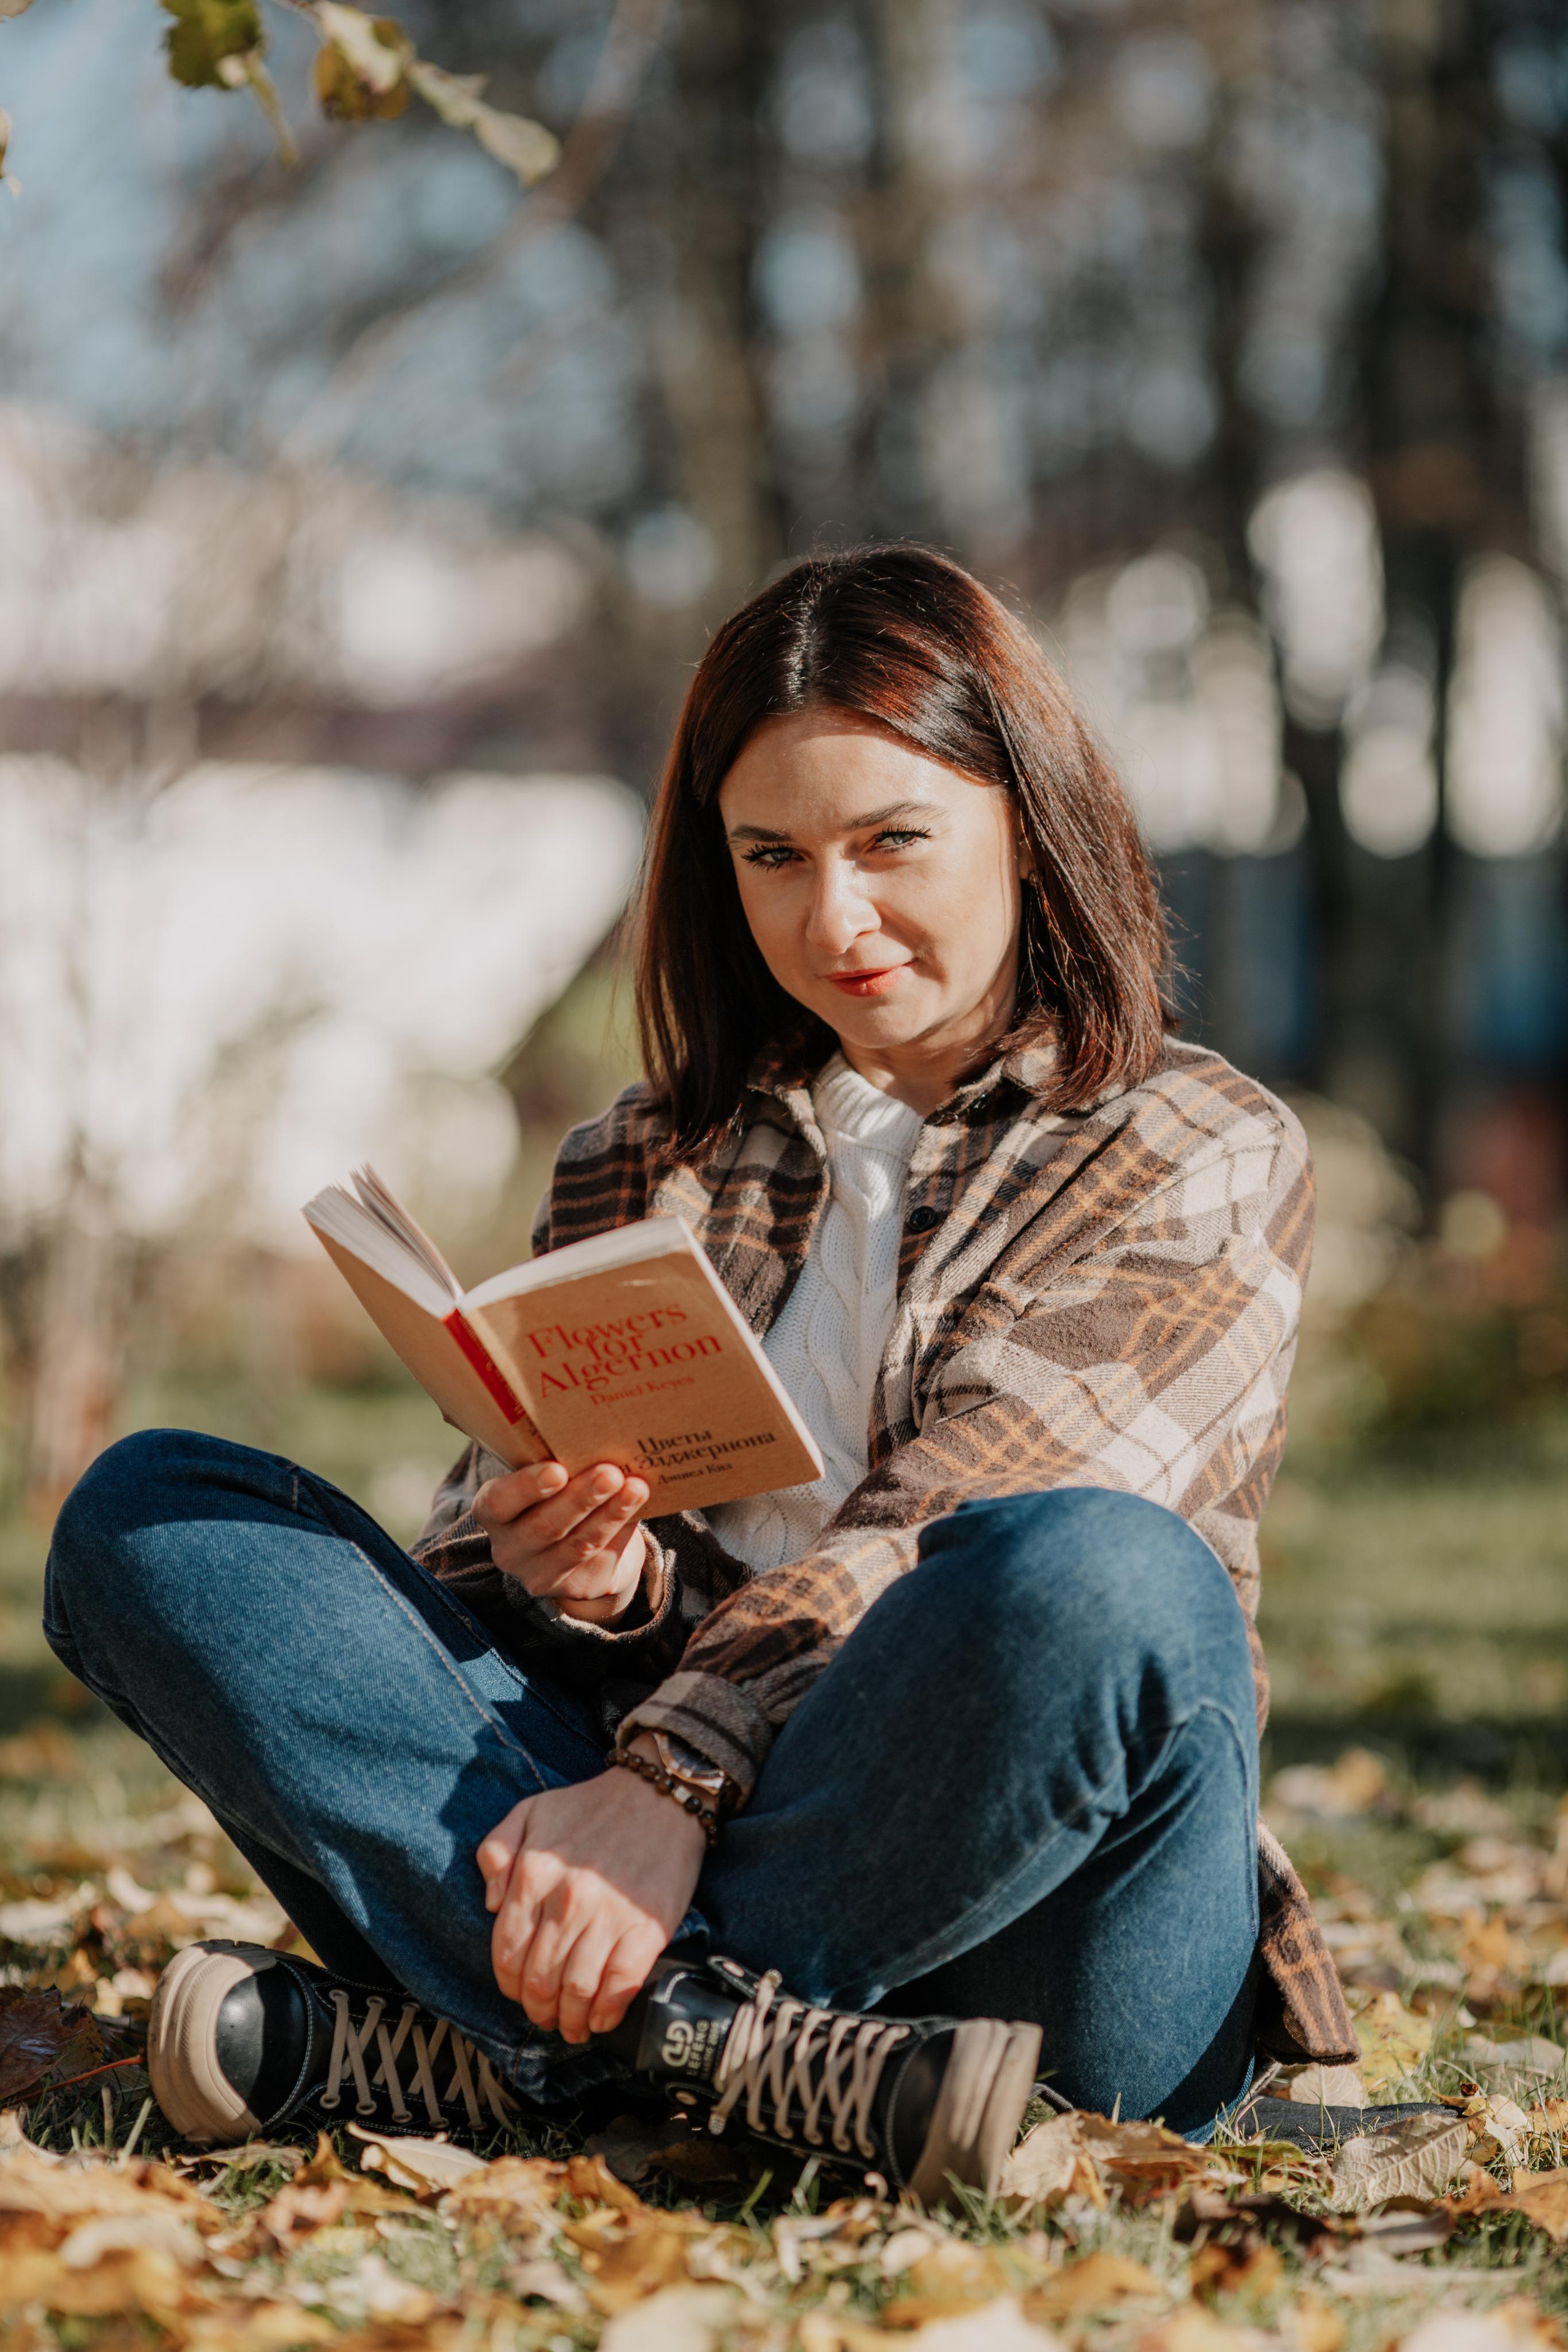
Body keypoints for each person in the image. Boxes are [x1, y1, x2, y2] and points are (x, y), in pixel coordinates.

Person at [45, 545, 1365, 2201]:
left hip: (1049, 1933)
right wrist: (573, 1584)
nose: (837, 918)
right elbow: (454, 1644)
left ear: (1028, 823)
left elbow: (971, 1513)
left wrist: (672, 1778)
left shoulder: (1197, 1142)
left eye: (896, 842)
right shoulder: (643, 1157)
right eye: (773, 857)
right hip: (641, 1861)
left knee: (1096, 1578)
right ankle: (726, 2056)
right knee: (154, 1515)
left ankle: (509, 2050)